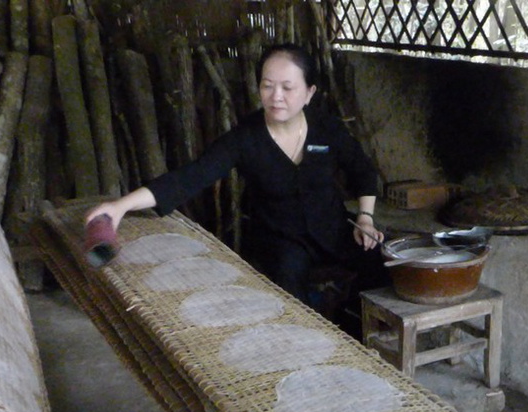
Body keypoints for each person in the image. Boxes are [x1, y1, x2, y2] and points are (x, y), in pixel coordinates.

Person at [86, 43, 389, 331]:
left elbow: (362, 170)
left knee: (376, 262)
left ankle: (355, 330)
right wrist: (120, 206)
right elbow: (190, 177)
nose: (276, 96)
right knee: (288, 279)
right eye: (267, 85)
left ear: (309, 93)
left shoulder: (327, 128)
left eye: (287, 87)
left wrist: (365, 218)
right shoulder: (245, 139)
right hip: (279, 238)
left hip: (331, 228)